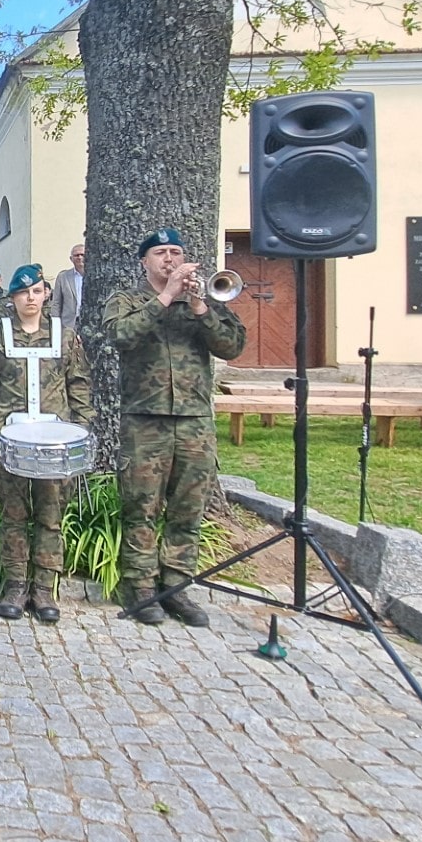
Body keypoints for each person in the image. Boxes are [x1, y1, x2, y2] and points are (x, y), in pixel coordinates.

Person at [102, 229, 245, 627]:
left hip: (194, 421)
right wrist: (165, 297)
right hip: (145, 421)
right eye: (161, 253)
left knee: (188, 509)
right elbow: (121, 335)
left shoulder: (204, 301)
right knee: (141, 507)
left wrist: (199, 305)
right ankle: (141, 588)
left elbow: (232, 345)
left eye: (176, 252)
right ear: (144, 261)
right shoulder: (127, 300)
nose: (170, 259)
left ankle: (176, 586)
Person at [0, 265, 92, 624]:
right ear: (12, 298)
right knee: (14, 516)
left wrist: (82, 431)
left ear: (46, 294)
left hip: (55, 445)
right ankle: (16, 586)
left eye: (36, 291)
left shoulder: (64, 336)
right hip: (11, 442)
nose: (30, 299)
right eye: (23, 293)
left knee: (51, 518)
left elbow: (79, 385)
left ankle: (44, 590)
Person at [55, 243, 87, 333]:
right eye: (76, 255)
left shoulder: (96, 276)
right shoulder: (63, 277)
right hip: (69, 325)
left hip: (90, 323)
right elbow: (57, 303)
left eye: (82, 255)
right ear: (71, 259)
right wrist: (56, 325)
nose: (80, 257)